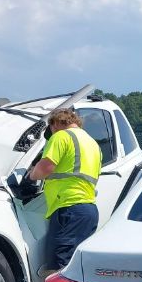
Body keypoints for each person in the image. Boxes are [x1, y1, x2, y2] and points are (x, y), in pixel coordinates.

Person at [28, 108, 101, 271]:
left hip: (68, 208)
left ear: (55, 123)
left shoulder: (61, 136)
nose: (51, 132)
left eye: (50, 128)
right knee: (79, 268)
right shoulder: (92, 143)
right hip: (88, 210)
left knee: (59, 268)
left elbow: (46, 167)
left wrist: (31, 174)